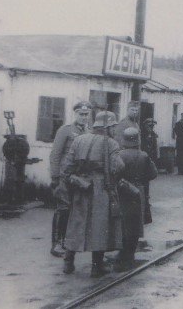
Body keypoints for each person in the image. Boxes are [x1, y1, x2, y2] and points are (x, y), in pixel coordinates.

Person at [61, 111, 125, 278]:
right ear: (107, 127)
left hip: (80, 187)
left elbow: (67, 167)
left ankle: (68, 262)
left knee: (76, 223)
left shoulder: (79, 139)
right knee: (100, 226)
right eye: (112, 127)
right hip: (101, 188)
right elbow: (117, 167)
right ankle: (96, 267)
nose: (114, 130)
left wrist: (76, 180)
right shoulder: (111, 144)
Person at [49, 101, 91, 257]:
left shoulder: (89, 132)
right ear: (76, 114)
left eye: (87, 115)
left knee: (76, 211)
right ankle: (56, 244)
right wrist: (54, 177)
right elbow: (55, 155)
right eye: (81, 114)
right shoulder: (65, 131)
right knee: (63, 209)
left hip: (79, 178)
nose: (84, 117)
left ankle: (69, 243)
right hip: (65, 177)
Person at [116, 128, 157, 271]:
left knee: (123, 222)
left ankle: (122, 253)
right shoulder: (144, 155)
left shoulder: (119, 154)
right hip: (139, 190)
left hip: (122, 190)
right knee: (136, 222)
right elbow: (153, 174)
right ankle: (130, 254)